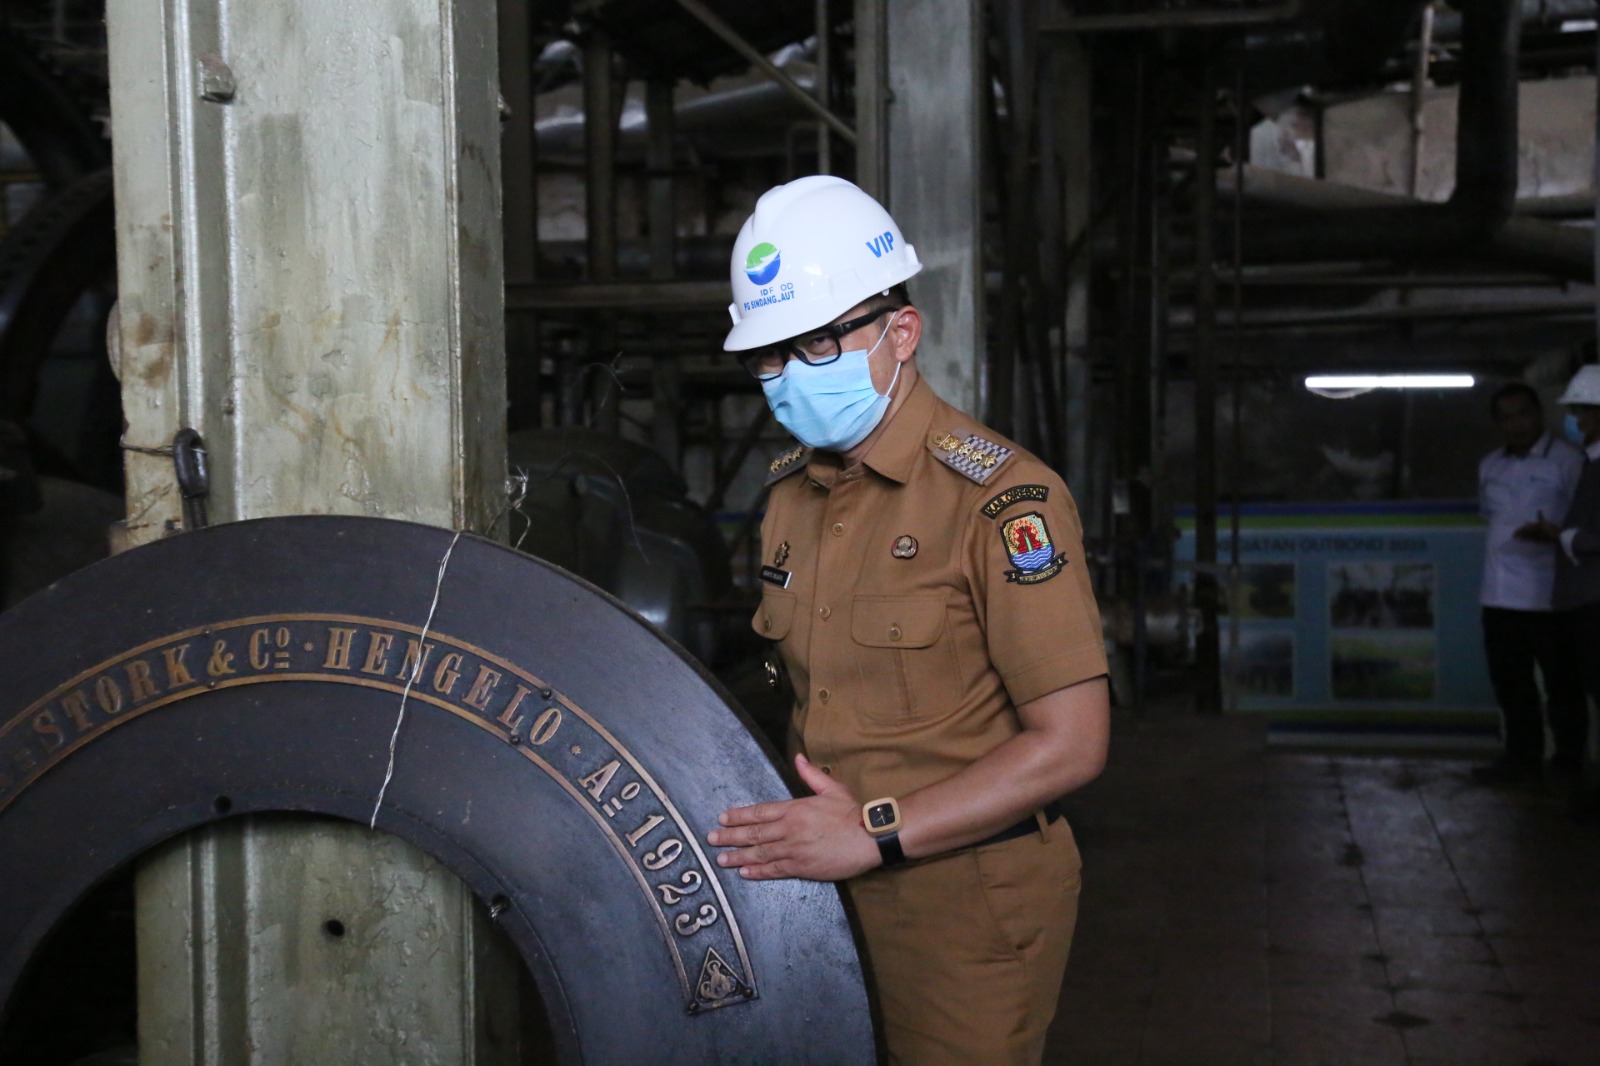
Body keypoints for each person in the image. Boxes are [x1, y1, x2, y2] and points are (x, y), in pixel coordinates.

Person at [705, 175, 1110, 1063]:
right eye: (767, 355)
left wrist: (871, 831)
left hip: (964, 899)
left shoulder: (1002, 498)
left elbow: (1073, 744)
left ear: (901, 332)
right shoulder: (787, 496)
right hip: (822, 892)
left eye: (814, 345)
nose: (784, 378)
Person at [1473, 382, 1584, 787]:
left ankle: (1569, 763)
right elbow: (1490, 514)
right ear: (1497, 425)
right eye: (1506, 418)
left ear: (1539, 413)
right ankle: (1522, 757)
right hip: (1499, 593)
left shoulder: (1568, 461)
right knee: (1511, 680)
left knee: (1561, 684)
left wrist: (1554, 533)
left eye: (1524, 414)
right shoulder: (1490, 466)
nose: (1517, 424)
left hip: (1551, 594)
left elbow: (1585, 521)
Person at [1519, 364, 1600, 818]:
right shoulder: (1590, 462)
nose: (1577, 421)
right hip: (1581, 599)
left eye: (1585, 412)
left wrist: (1565, 537)